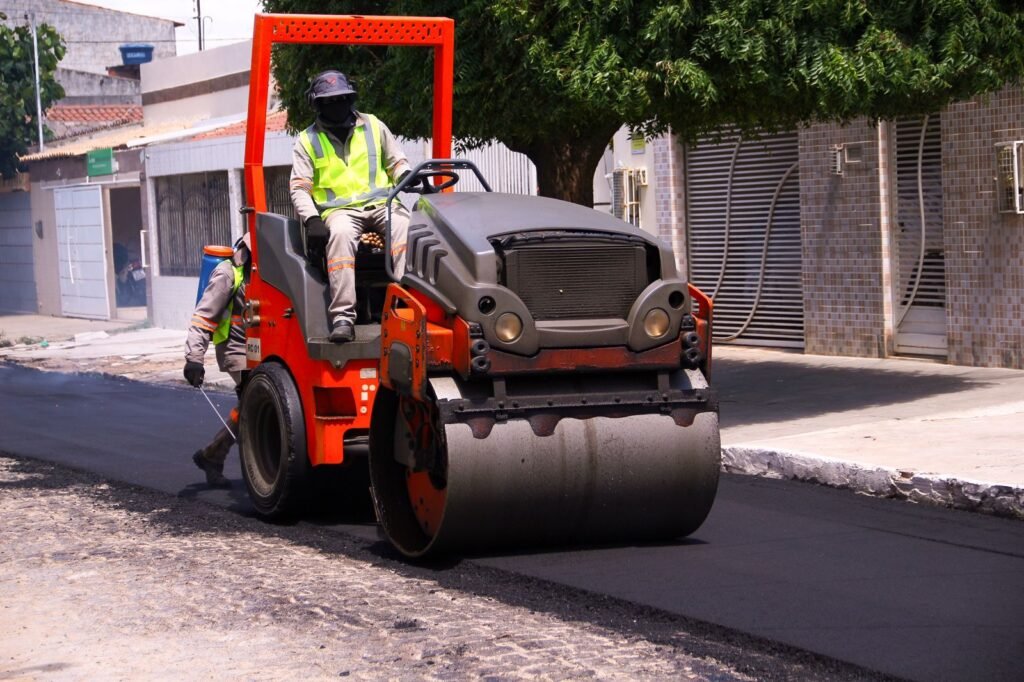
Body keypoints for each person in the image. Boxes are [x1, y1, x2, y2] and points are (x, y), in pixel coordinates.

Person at [289, 70, 411, 343]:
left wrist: (405, 176)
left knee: (405, 226)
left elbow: (397, 162)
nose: (337, 105)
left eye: (342, 99)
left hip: (382, 203)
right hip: (340, 212)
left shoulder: (374, 126)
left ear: (351, 98)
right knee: (341, 235)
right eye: (330, 101)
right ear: (317, 104)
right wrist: (312, 220)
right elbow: (299, 187)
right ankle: (343, 317)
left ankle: (407, 302)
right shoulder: (307, 140)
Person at [183, 233, 250, 488]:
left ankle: (212, 455)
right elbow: (203, 317)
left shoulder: (269, 268)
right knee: (254, 403)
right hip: (235, 349)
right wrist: (194, 358)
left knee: (248, 406)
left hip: (261, 349)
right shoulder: (228, 273)